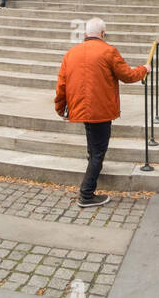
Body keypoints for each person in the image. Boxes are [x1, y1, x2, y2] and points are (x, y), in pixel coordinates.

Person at [54, 17, 148, 208]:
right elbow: (128, 76)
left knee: (93, 146)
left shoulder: (71, 53)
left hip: (81, 108)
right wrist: (144, 69)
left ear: (86, 34)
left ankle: (91, 175)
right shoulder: (108, 51)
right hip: (101, 110)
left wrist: (60, 108)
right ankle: (86, 194)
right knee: (98, 152)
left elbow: (61, 84)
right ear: (103, 34)